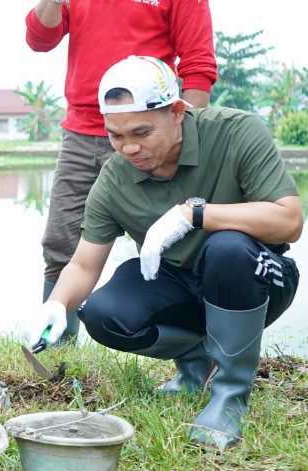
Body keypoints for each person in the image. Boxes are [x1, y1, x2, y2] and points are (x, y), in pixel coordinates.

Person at [27, 56, 302, 451]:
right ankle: (196, 365)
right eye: (115, 135)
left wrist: (196, 215)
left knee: (226, 248)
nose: (129, 147)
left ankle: (229, 394)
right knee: (105, 314)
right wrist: (55, 305)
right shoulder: (116, 176)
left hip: (255, 276)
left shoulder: (235, 132)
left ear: (177, 112)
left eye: (141, 131)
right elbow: (85, 263)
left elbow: (289, 220)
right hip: (180, 281)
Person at [25, 0, 217, 343]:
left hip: (152, 134)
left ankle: (201, 351)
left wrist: (182, 138)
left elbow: (198, 65)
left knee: (184, 242)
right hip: (84, 132)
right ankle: (53, 343)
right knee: (61, 240)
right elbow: (40, 39)